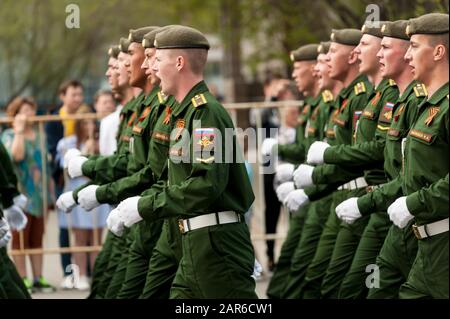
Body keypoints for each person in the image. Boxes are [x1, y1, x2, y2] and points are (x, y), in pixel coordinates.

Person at [112, 25, 258, 298]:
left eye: (157, 60)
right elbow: (171, 177)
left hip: (216, 246)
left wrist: (144, 206)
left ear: (179, 62)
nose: (150, 67)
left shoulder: (206, 114)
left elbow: (206, 185)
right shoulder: (184, 114)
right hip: (192, 242)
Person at [389, 13, 449, 299]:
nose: (407, 55)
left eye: (414, 46)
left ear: (438, 51)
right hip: (426, 246)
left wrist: (414, 203)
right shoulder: (428, 105)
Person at [1, 97, 55, 294]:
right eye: (25, 110)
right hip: (20, 195)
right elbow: (16, 155)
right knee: (19, 239)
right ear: (15, 114)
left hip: (39, 195)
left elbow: (46, 167)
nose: (30, 114)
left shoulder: (40, 134)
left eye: (32, 110)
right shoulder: (9, 135)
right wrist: (19, 131)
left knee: (37, 238)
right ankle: (23, 278)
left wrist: (50, 196)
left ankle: (38, 277)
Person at [56, 117, 109, 290]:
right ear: (79, 125)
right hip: (77, 189)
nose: (89, 126)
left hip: (95, 190)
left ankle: (96, 275)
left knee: (95, 238)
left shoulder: (100, 142)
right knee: (79, 238)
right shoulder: (69, 143)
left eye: (92, 123)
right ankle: (81, 275)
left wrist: (94, 148)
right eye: (85, 123)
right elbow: (64, 168)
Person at [45, 79, 85, 284]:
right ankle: (67, 272)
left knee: (84, 226)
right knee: (64, 226)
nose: (78, 98)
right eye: (73, 94)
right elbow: (51, 149)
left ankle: (85, 272)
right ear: (63, 96)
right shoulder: (53, 120)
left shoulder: (87, 115)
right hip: (62, 178)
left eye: (80, 94)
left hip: (83, 178)